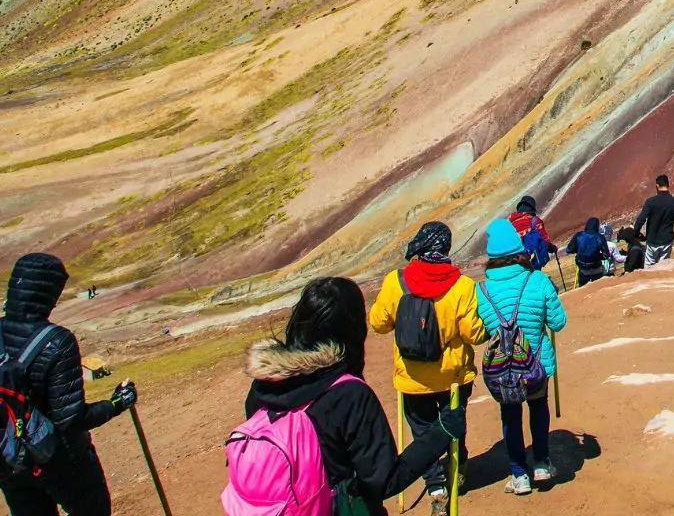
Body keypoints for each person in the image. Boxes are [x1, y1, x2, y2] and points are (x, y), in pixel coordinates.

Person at [0, 253, 136, 516]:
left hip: (8, 459)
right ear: (49, 294)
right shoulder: (57, 341)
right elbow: (70, 420)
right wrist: (117, 402)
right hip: (64, 460)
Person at [238, 277, 460, 516]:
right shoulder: (349, 395)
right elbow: (383, 481)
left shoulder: (262, 386)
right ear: (353, 329)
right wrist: (442, 432)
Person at [368, 222, 486, 515]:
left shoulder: (395, 282)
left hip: (412, 376)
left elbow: (378, 323)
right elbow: (474, 334)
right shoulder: (463, 286)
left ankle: (435, 486)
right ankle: (459, 466)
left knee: (422, 431)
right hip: (454, 376)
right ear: (445, 248)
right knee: (452, 423)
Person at [472, 219, 567, 495]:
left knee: (509, 415)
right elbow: (558, 322)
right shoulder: (538, 281)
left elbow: (479, 335)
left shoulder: (482, 291)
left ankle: (518, 475)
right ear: (519, 250)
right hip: (536, 365)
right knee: (538, 408)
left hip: (502, 371)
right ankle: (541, 463)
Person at [634, 174, 674, 267]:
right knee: (663, 266)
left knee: (649, 267)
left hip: (652, 241)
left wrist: (636, 235)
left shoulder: (650, 202)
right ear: (668, 185)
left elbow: (640, 220)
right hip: (667, 241)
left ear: (657, 186)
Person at [565, 217, 614, 286]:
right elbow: (606, 255)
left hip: (583, 269)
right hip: (596, 268)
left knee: (583, 290)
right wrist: (597, 256)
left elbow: (568, 250)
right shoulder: (600, 237)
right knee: (598, 288)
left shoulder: (578, 235)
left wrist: (578, 251)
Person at [508, 197, 553, 270]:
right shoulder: (535, 221)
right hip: (531, 261)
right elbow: (545, 241)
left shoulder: (509, 223)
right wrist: (551, 248)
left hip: (512, 262)